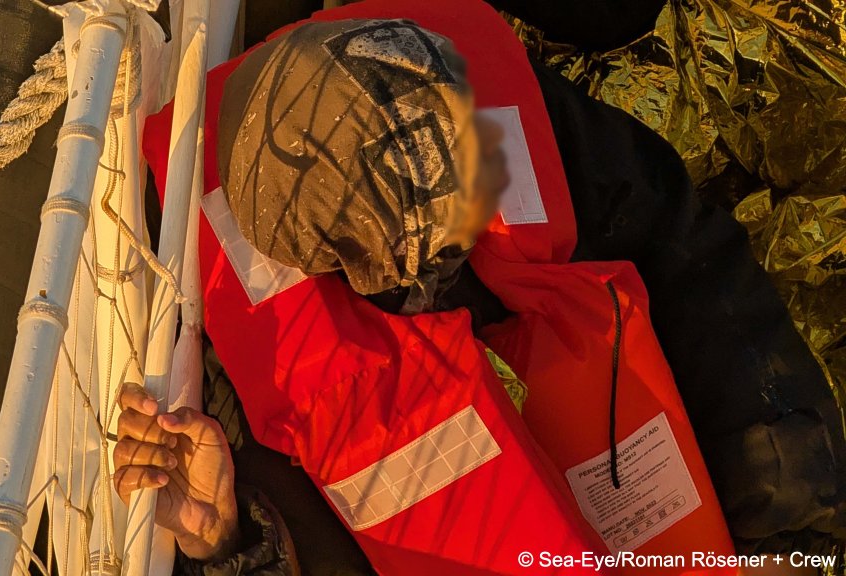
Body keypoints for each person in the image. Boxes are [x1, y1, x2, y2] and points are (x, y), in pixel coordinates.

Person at [116, 3, 846, 575]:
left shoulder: (497, 111)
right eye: (439, 231)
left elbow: (693, 262)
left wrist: (790, 534)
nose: (484, 198)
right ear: (349, 265)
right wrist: (233, 540)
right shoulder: (250, 360)